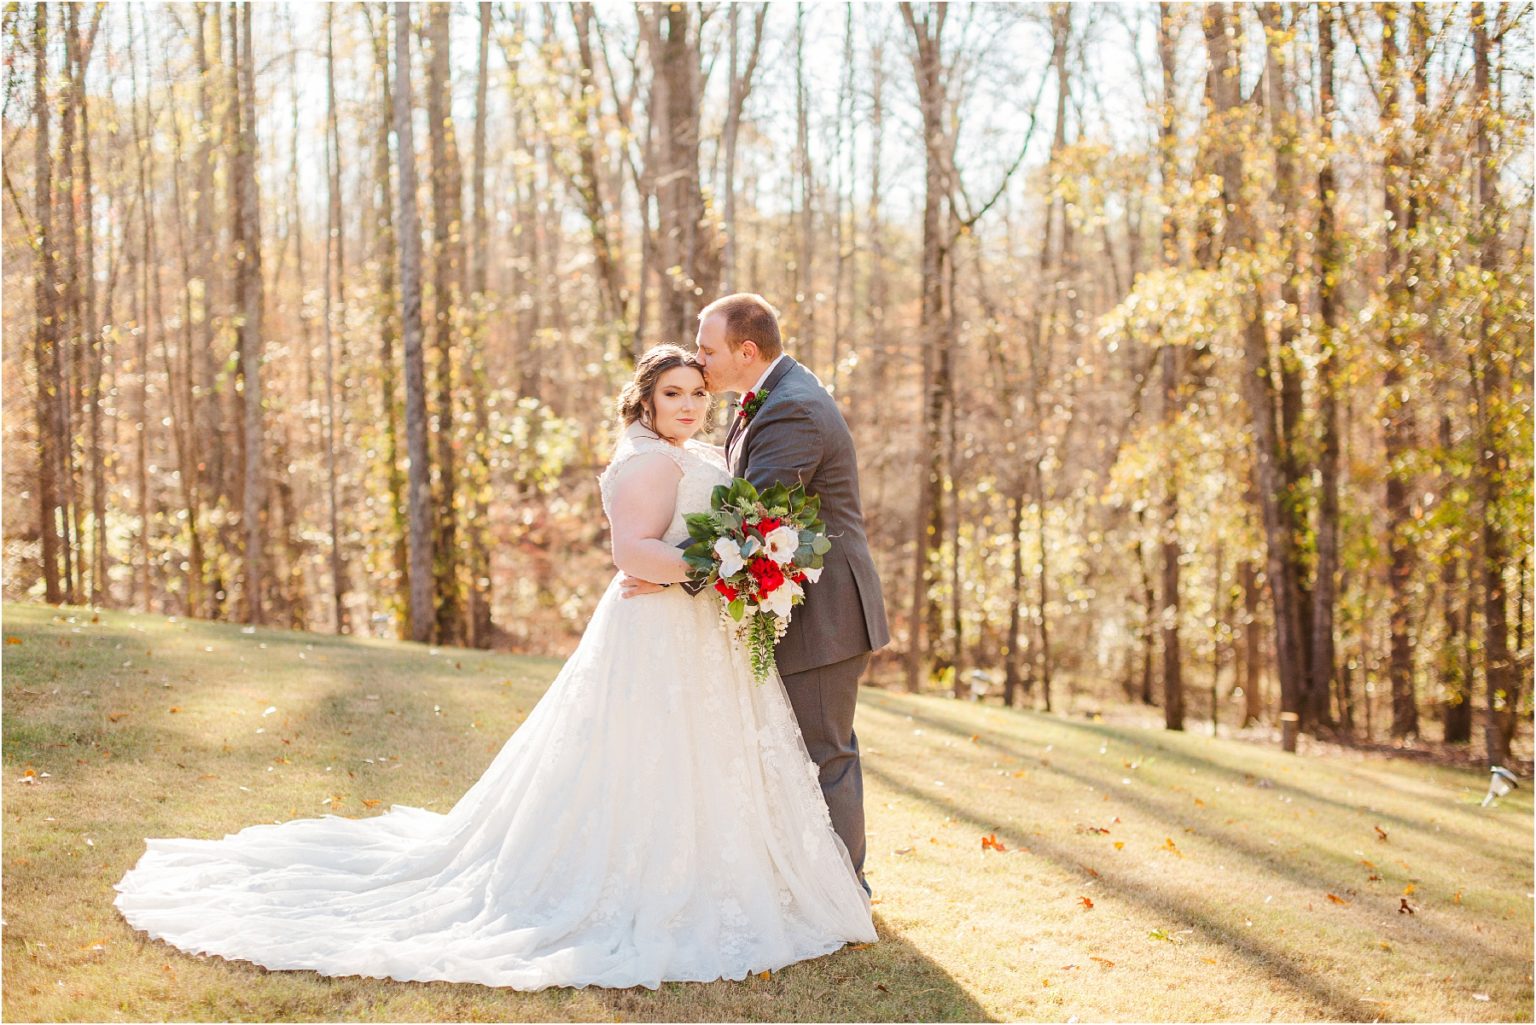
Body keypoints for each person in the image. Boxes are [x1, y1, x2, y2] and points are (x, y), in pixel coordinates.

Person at [114, 345, 875, 991]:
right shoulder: (647, 463)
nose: (688, 404)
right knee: (649, 758)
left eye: (697, 394)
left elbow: (690, 538)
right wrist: (721, 561)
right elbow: (632, 554)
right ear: (642, 399)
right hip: (658, 635)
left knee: (707, 761)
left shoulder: (693, 454)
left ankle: (723, 872)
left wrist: (736, 561)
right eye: (672, 393)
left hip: (697, 628)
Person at [622, 294, 890, 897]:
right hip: (796, 606)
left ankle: (844, 892)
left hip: (827, 615)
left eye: (707, 349)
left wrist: (675, 572)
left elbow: (755, 521)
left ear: (746, 351)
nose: (698, 358)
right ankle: (803, 880)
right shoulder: (768, 395)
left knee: (824, 753)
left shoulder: (792, 408)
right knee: (797, 753)